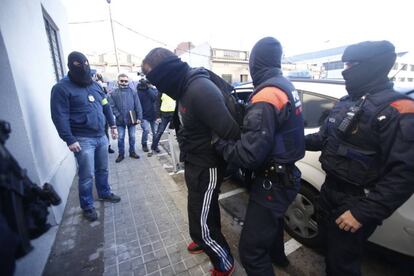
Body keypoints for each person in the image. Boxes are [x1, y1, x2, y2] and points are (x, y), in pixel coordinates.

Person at [305, 40, 414, 276]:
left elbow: (405, 174)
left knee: (343, 263)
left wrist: (364, 212)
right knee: (330, 250)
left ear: (371, 66)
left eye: (352, 64)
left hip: (357, 200)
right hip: (329, 190)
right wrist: (290, 140)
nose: (346, 70)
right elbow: (324, 138)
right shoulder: (347, 102)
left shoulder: (399, 109)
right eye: (345, 64)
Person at [142, 48, 241, 276]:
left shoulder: (198, 89)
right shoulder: (182, 87)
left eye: (154, 77)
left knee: (199, 226)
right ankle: (208, 239)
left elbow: (231, 131)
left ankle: (223, 262)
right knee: (204, 209)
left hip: (207, 165)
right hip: (194, 162)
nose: (155, 85)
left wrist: (209, 148)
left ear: (165, 71)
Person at [215, 37, 305, 275]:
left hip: (271, 183)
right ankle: (279, 258)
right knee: (273, 225)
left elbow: (248, 155)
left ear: (255, 63)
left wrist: (219, 143)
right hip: (287, 175)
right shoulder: (285, 85)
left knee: (251, 251)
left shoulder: (267, 94)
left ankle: (271, 259)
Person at [50, 51, 121, 222]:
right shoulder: (61, 88)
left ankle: (104, 193)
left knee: (103, 169)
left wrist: (112, 125)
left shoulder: (95, 85)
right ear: (70, 67)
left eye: (86, 66)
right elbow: (59, 115)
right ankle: (87, 205)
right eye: (79, 66)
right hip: (82, 139)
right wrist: (69, 139)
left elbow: (105, 106)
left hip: (101, 136)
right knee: (87, 174)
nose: (84, 70)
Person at [109, 74, 143, 163]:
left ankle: (132, 152)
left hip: (132, 119)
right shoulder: (113, 93)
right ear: (118, 81)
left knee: (132, 137)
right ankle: (121, 154)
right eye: (122, 81)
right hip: (120, 120)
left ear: (128, 82)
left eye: (125, 81)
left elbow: (138, 105)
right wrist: (118, 115)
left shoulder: (133, 92)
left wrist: (140, 117)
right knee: (120, 138)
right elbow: (112, 106)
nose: (124, 83)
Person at [94, 73, 115, 154]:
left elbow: (106, 103)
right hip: (97, 114)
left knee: (105, 131)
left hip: (104, 114)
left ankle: (108, 146)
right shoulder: (92, 87)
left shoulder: (102, 87)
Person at [137, 78, 158, 152]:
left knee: (155, 132)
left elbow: (154, 97)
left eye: (149, 83)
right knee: (146, 130)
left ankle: (155, 145)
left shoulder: (153, 89)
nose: (149, 84)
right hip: (143, 115)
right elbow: (137, 103)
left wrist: (148, 88)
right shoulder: (139, 90)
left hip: (153, 115)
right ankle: (144, 144)